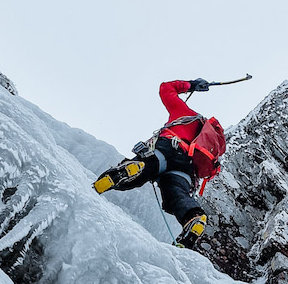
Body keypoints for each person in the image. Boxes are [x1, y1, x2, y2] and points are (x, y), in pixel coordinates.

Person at [93, 78, 227, 250]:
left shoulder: (186, 113)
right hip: (188, 169)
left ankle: (135, 169)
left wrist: (191, 85)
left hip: (170, 147)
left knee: (149, 165)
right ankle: (193, 217)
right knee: (176, 196)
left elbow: (166, 88)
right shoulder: (210, 144)